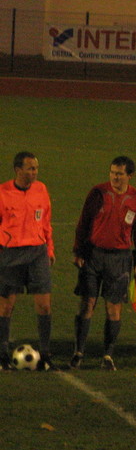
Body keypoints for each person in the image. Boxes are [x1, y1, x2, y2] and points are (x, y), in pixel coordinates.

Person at [70, 156, 136, 371]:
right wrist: (78, 251)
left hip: (120, 259)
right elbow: (83, 222)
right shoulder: (98, 193)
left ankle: (107, 355)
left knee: (113, 309)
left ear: (129, 176)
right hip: (93, 256)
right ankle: (78, 352)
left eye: (119, 173)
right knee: (87, 304)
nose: (115, 176)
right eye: (112, 172)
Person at [0, 152, 55, 371]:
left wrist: (49, 249)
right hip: (10, 255)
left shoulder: (41, 189)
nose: (34, 173)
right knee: (6, 307)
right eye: (30, 168)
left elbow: (46, 222)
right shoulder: (3, 193)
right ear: (17, 170)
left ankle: (45, 354)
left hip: (37, 253)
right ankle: (2, 354)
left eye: (36, 168)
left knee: (44, 305)